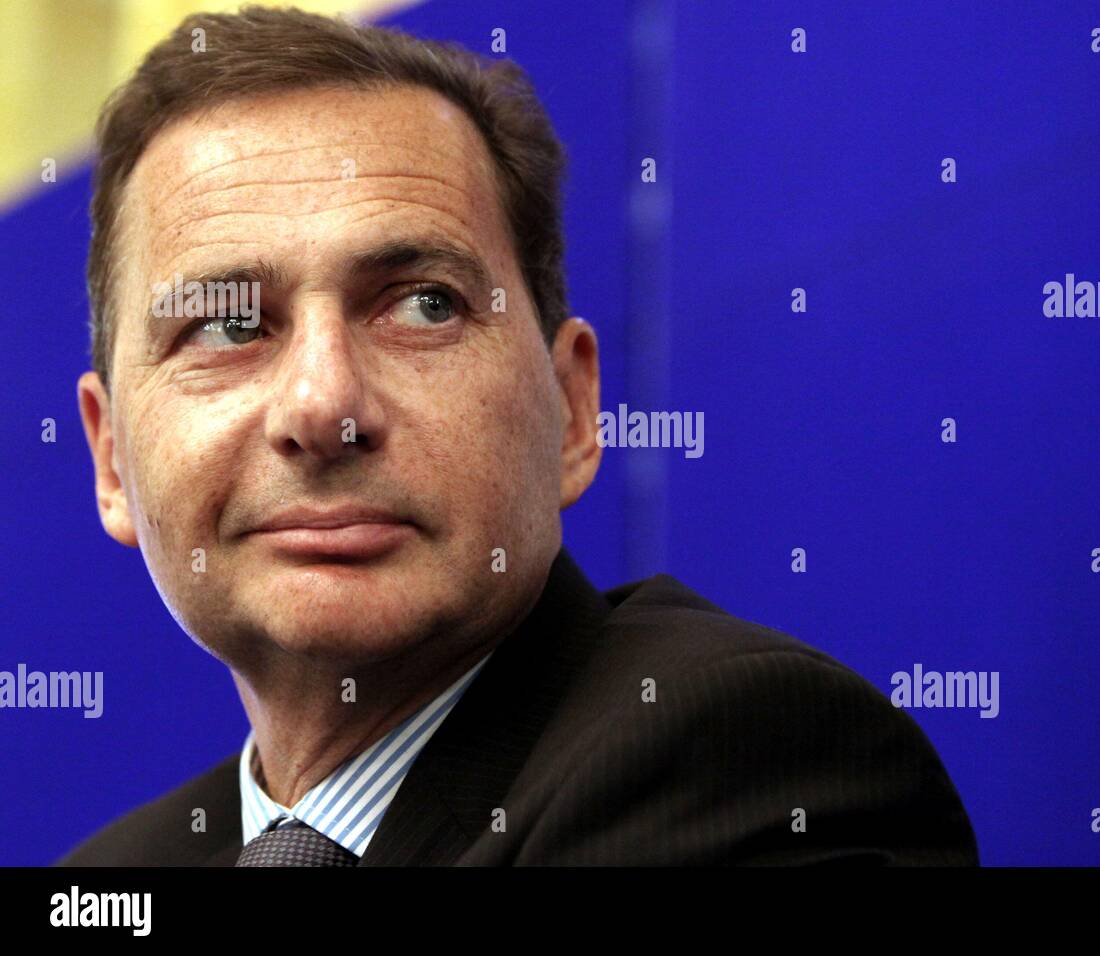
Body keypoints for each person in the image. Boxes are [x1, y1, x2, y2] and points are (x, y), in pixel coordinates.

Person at [57, 6, 978, 866]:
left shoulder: (739, 752)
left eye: (424, 305)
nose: (324, 407)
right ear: (110, 461)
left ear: (574, 409)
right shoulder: (118, 871)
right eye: (226, 325)